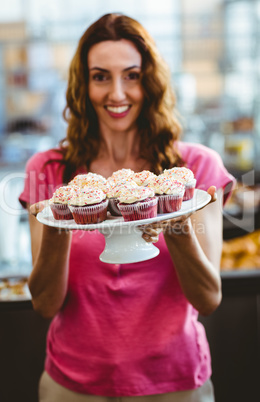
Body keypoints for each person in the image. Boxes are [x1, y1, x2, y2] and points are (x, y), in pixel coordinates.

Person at [19, 13, 235, 402]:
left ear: (150, 82)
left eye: (131, 75)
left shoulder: (193, 171)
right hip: (72, 384)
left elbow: (209, 299)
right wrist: (60, 218)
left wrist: (175, 224)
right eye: (101, 76)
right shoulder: (48, 171)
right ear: (83, 85)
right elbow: (44, 303)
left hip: (175, 382)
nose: (117, 93)